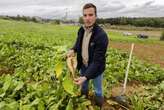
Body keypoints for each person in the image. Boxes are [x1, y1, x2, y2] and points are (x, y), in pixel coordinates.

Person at [67, 3, 109, 107]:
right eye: (85, 15)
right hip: (83, 66)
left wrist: (86, 76)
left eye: (90, 15)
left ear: (96, 16)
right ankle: (84, 101)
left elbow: (97, 61)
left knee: (98, 89)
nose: (87, 18)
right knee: (84, 87)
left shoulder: (101, 36)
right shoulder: (81, 30)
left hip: (96, 68)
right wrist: (73, 49)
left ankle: (99, 105)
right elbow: (78, 43)